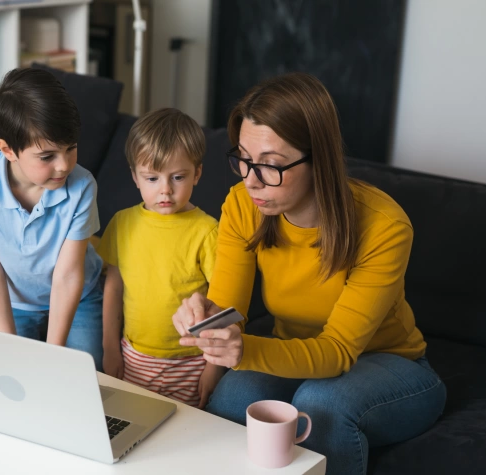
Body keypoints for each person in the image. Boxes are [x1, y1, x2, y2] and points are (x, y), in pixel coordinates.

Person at [171, 73, 446, 474]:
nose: (251, 180)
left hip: (392, 366)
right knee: (233, 399)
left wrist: (244, 350)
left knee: (322, 404)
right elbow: (228, 309)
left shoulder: (384, 226)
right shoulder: (244, 204)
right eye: (244, 160)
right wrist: (205, 319)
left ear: (319, 159)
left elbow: (336, 352)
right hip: (296, 354)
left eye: (270, 166)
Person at [0, 68, 104, 370]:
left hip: (79, 294)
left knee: (83, 374)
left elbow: (68, 275)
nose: (64, 165)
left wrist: (53, 353)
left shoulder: (82, 186)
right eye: (47, 156)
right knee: (13, 375)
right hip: (17, 302)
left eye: (71, 148)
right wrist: (7, 344)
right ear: (8, 150)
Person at [96, 108, 222, 408]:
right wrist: (109, 347)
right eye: (152, 178)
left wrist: (214, 367)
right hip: (134, 357)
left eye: (178, 177)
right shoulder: (122, 223)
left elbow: (223, 302)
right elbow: (113, 288)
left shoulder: (208, 231)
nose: (165, 189)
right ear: (135, 177)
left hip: (192, 362)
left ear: (197, 173)